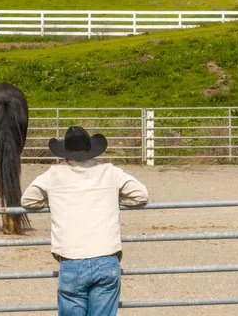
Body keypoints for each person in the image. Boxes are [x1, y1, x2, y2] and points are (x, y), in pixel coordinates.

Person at [20, 126, 149, 316]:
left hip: (71, 260)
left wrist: (53, 199)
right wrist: (115, 197)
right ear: (93, 153)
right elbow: (141, 195)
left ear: (65, 156)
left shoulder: (53, 174)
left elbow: (28, 200)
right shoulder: (110, 172)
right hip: (106, 258)